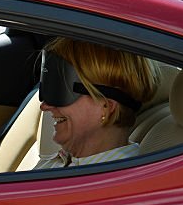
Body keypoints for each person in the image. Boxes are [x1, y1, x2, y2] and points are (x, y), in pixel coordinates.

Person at [35, 37, 160, 169]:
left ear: (106, 108)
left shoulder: (122, 181)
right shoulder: (58, 163)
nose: (44, 106)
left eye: (60, 90)